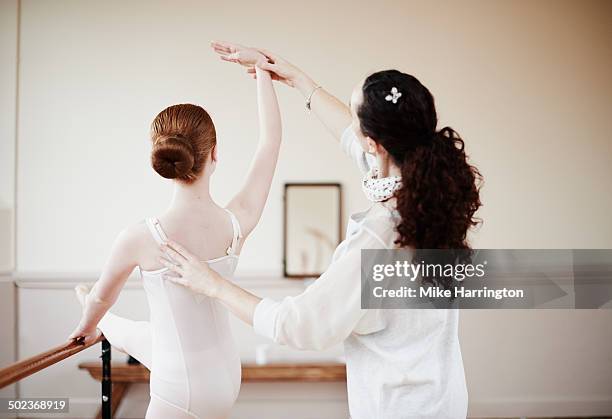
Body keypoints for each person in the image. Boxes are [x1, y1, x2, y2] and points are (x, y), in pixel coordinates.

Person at [160, 41, 482, 419]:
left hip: (401, 409)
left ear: (375, 144)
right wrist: (296, 78)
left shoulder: (379, 236)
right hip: (442, 400)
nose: (352, 127)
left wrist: (212, 283)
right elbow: (352, 136)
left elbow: (297, 325)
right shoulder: (430, 191)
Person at [68, 47, 281, 419]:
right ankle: (107, 327)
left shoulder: (138, 238)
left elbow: (103, 297)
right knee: (141, 333)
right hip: (227, 376)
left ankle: (99, 323)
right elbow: (270, 144)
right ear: (214, 154)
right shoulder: (236, 222)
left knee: (106, 314)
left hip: (180, 386)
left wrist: (85, 327)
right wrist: (262, 72)